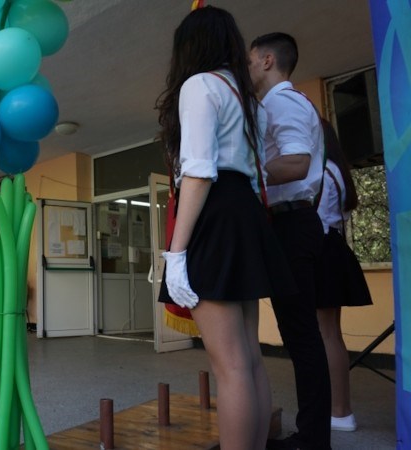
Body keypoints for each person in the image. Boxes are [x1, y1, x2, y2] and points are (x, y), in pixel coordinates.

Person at [155, 7, 295, 449]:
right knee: (249, 360)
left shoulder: (199, 85)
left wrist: (176, 254)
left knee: (229, 366)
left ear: (189, 47)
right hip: (244, 212)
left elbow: (198, 173)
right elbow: (255, 174)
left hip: (214, 212)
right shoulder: (249, 99)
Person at [249, 32, 333, 449]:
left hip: (292, 224)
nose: (247, 68)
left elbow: (297, 162)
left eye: (250, 61)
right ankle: (312, 435)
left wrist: (245, 169)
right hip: (289, 223)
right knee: (300, 334)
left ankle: (313, 440)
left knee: (302, 337)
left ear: (267, 60)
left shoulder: (282, 101)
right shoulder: (277, 103)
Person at [316, 120, 373, 432]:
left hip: (322, 250)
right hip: (335, 248)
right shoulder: (339, 172)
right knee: (331, 334)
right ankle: (339, 409)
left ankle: (339, 411)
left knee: (325, 334)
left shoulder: (321, 172)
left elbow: (313, 218)